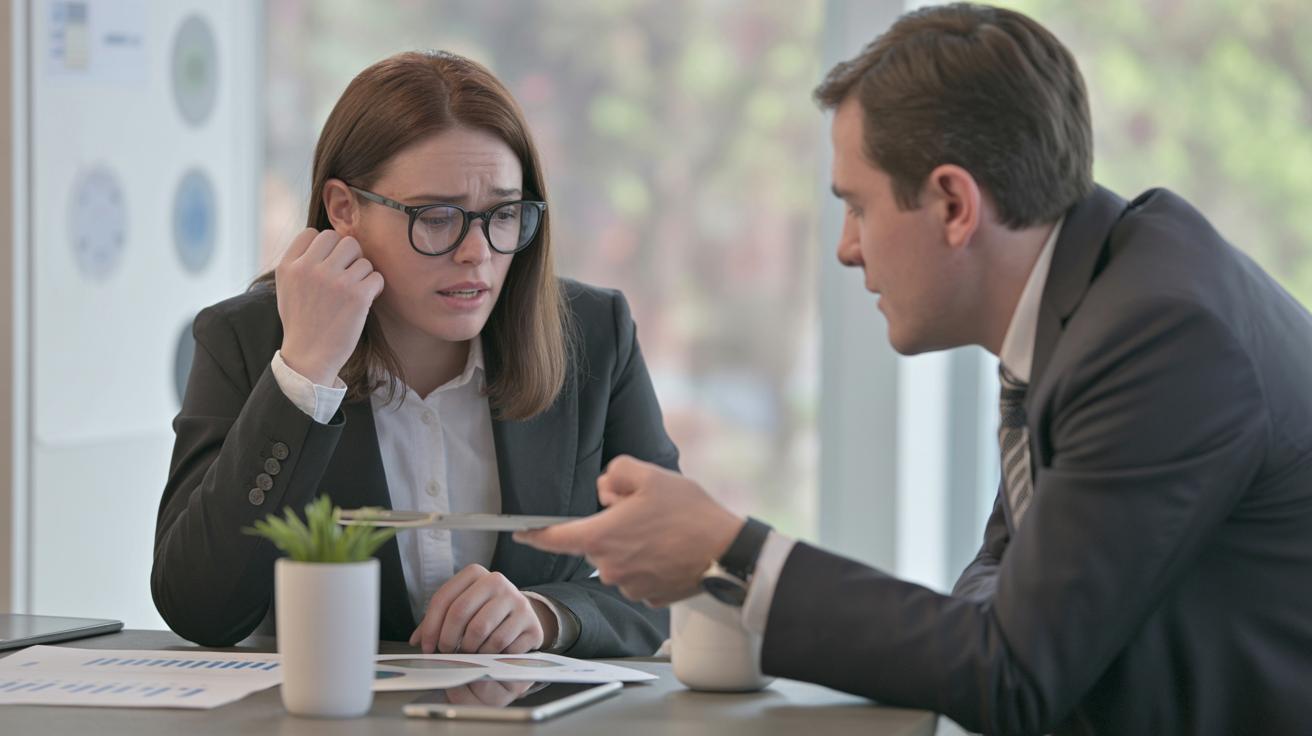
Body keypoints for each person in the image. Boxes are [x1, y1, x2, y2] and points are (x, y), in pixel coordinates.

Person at [517, 4, 1312, 733]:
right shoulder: (1095, 291)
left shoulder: (1156, 340)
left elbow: (1012, 675)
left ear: (955, 206)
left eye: (858, 205)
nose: (846, 247)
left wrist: (730, 554)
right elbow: (997, 585)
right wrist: (985, 633)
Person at [152, 51, 678, 659]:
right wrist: (304, 376)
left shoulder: (594, 332)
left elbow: (675, 566)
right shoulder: (245, 340)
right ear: (344, 210)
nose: (477, 252)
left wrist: (551, 614)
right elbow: (198, 608)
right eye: (437, 217)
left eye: (503, 214)